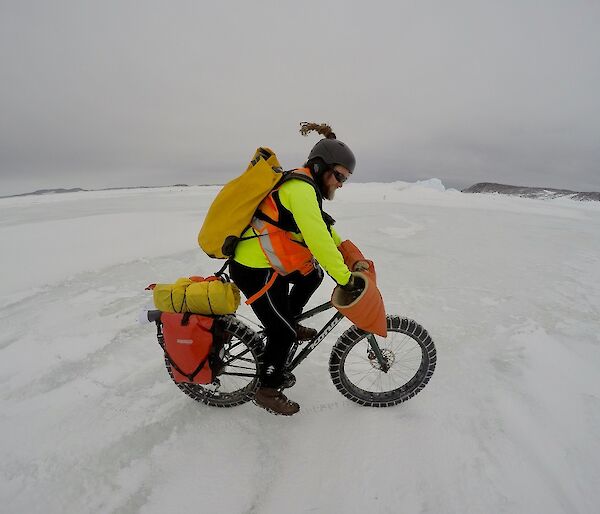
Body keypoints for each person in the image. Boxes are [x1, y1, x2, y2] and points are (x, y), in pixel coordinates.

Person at [229, 122, 363, 416]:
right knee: (283, 334)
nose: (341, 184)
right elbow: (317, 239)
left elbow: (323, 228)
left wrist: (349, 253)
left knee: (312, 274)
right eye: (340, 176)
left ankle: (287, 320)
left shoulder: (306, 187)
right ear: (321, 167)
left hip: (270, 262)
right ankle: (267, 389)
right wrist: (344, 277)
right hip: (254, 269)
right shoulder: (300, 189)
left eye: (346, 179)